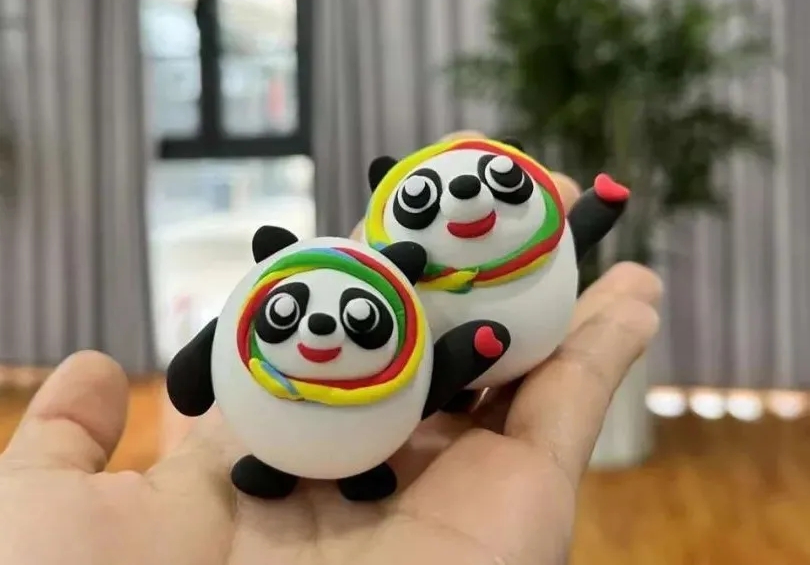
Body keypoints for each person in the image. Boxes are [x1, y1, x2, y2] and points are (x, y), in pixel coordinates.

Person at [0, 164, 662, 565]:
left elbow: (432, 377)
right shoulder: (251, 319)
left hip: (379, 435)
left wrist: (469, 356)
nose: (320, 328)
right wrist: (198, 372)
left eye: (357, 319)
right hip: (276, 435)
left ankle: (356, 468)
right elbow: (201, 366)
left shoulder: (415, 330)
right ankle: (283, 465)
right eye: (289, 314)